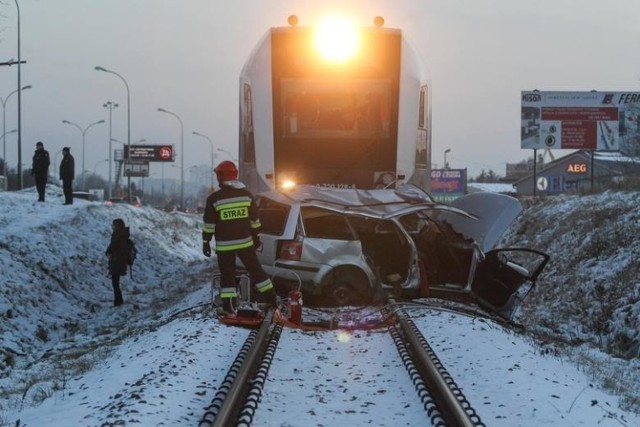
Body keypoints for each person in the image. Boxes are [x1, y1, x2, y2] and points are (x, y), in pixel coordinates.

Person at [202, 160, 277, 315]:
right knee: (256, 271)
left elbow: (209, 224)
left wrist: (206, 242)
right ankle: (272, 299)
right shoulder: (247, 196)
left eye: (218, 175)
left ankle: (229, 307)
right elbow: (255, 221)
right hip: (245, 243)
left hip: (225, 246)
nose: (217, 178)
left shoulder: (214, 199)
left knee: (228, 275)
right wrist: (256, 237)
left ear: (222, 176)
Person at [105, 218, 129, 306]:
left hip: (117, 261)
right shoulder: (122, 235)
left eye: (114, 225)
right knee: (115, 281)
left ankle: (118, 300)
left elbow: (113, 247)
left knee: (115, 281)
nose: (113, 227)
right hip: (118, 261)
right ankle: (118, 299)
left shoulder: (119, 236)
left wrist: (108, 251)